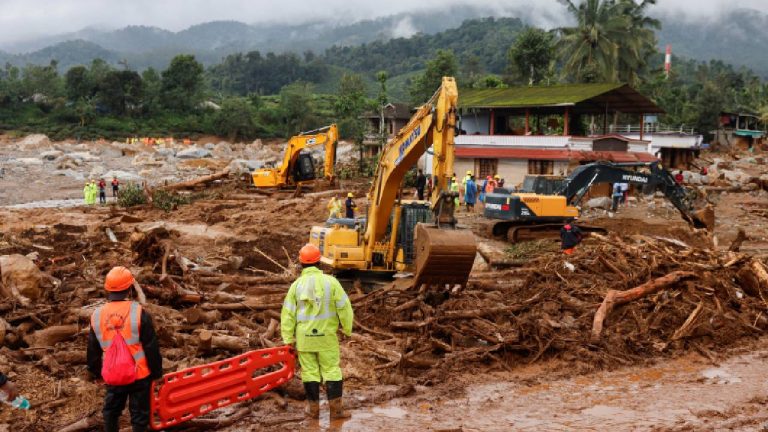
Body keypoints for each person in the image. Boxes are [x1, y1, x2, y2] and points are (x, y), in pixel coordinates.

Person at [281, 244, 353, 420]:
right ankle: (336, 411)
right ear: (319, 261)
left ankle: (313, 411)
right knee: (332, 371)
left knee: (310, 372)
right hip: (326, 338)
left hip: (305, 339)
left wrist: (287, 339)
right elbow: (345, 308)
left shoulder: (296, 286)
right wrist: (347, 328)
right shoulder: (331, 282)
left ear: (301, 263)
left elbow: (288, 314)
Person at [87, 266, 163, 432]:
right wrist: (157, 373)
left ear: (107, 289)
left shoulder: (97, 315)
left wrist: (97, 373)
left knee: (111, 412)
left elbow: (92, 351)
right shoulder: (138, 312)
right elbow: (151, 347)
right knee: (140, 416)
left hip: (114, 374)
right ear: (129, 289)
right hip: (140, 374)